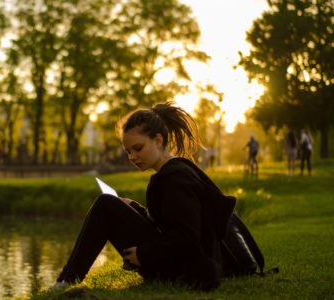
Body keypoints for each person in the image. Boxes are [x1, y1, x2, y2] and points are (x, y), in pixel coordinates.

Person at [52, 102, 236, 291]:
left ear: (158, 140)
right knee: (111, 203)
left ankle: (66, 280)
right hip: (181, 265)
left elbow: (187, 235)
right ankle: (66, 279)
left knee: (105, 204)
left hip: (188, 272)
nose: (132, 157)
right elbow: (168, 222)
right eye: (128, 151)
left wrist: (144, 254)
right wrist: (135, 208)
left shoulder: (175, 178)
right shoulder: (172, 172)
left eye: (138, 148)